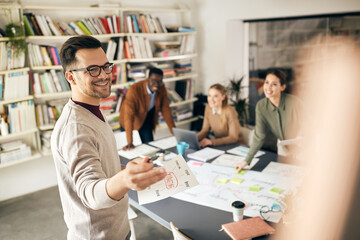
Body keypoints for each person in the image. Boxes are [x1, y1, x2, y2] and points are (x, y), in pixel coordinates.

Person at [51, 35, 166, 240]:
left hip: (116, 230)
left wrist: (130, 170)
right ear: (71, 77)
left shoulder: (92, 109)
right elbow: (90, 193)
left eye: (106, 66)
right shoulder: (76, 128)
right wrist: (126, 178)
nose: (104, 75)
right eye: (92, 69)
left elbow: (102, 169)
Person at [236, 69, 303, 171]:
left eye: (274, 84)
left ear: (282, 87)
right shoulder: (261, 106)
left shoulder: (295, 102)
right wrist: (246, 161)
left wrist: (303, 138)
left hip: (302, 147)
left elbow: (311, 125)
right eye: (267, 83)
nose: (268, 87)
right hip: (283, 147)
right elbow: (259, 136)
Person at [119, 67, 175, 150]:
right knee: (131, 150)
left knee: (150, 148)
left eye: (159, 81)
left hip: (147, 119)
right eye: (153, 81)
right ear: (148, 79)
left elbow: (166, 109)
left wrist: (175, 133)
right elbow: (128, 116)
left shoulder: (161, 87)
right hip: (130, 121)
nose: (156, 84)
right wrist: (130, 141)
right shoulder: (134, 89)